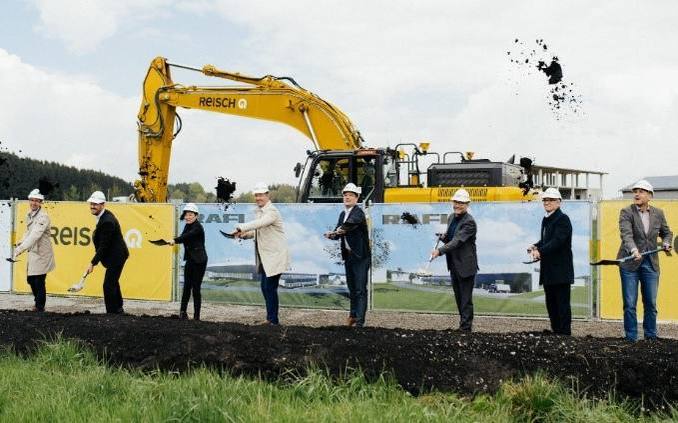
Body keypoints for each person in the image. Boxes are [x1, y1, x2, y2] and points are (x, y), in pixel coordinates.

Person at [617, 180, 673, 341]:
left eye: (641, 191)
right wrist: (633, 250)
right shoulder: (626, 212)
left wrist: (667, 242)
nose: (637, 194)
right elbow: (626, 234)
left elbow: (667, 233)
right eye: (635, 191)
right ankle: (631, 338)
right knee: (629, 304)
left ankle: (650, 337)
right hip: (629, 264)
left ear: (649, 196)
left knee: (651, 304)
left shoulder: (658, 213)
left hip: (650, 263)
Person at [234, 183, 290, 325]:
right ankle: (270, 318)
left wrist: (240, 227)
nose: (258, 198)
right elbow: (258, 231)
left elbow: (260, 223)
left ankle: (273, 321)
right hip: (266, 257)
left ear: (267, 195)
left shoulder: (272, 211)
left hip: (274, 257)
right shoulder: (260, 212)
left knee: (269, 288)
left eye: (261, 195)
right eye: (256, 195)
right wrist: (244, 235)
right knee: (265, 288)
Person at [528, 187, 574, 336]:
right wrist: (536, 245)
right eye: (545, 200)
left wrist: (540, 251)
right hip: (549, 270)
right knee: (551, 304)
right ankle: (556, 332)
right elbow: (547, 240)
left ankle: (565, 334)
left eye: (551, 200)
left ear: (559, 202)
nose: (547, 202)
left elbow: (557, 241)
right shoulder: (546, 219)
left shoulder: (563, 219)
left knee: (562, 304)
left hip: (560, 270)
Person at [431, 189, 478, 331]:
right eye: (456, 202)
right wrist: (443, 237)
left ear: (467, 204)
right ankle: (463, 325)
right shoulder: (451, 217)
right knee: (459, 298)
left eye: (461, 203)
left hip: (465, 266)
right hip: (454, 264)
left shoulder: (469, 222)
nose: (457, 205)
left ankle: (465, 328)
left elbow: (458, 241)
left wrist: (440, 251)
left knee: (465, 300)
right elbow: (451, 238)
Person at [324, 183, 371, 327]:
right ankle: (352, 315)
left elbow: (350, 224)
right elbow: (338, 232)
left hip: (361, 257)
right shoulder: (343, 214)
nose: (347, 197)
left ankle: (360, 322)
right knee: (352, 288)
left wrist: (340, 230)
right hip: (349, 256)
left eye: (351, 195)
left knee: (360, 289)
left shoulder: (358, 213)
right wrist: (332, 235)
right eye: (345, 195)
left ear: (356, 198)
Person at [86, 191, 129, 314]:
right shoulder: (103, 216)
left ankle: (111, 313)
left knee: (108, 285)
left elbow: (103, 247)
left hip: (117, 256)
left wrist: (92, 263)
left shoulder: (107, 221)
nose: (92, 206)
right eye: (91, 203)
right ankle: (119, 308)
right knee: (113, 281)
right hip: (115, 255)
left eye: (96, 204)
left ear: (103, 205)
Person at [13, 189, 55, 311]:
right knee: (31, 279)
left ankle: (39, 306)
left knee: (39, 281)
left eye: (37, 201)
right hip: (33, 253)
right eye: (32, 200)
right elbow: (28, 232)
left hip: (43, 254)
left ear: (41, 202)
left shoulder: (43, 217)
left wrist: (20, 249)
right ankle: (38, 303)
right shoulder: (29, 214)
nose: (34, 203)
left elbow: (35, 235)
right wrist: (21, 240)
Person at [168, 203, 207, 320]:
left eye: (190, 215)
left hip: (199, 261)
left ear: (196, 215)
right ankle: (182, 313)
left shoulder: (197, 227)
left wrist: (174, 240)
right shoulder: (187, 226)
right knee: (186, 287)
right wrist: (173, 240)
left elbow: (187, 237)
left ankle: (196, 317)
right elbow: (183, 237)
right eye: (186, 214)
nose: (187, 217)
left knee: (196, 288)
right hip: (190, 260)